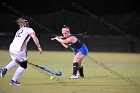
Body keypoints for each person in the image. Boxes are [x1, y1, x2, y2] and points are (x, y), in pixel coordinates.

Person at [0, 17, 42, 86]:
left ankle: (4, 69)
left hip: (11, 49)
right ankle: (13, 81)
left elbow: (22, 41)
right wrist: (39, 47)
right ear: (27, 23)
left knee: (16, 61)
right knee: (23, 66)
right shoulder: (29, 29)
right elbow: (35, 37)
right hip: (19, 50)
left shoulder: (19, 30)